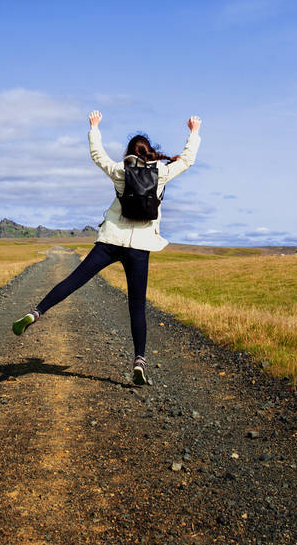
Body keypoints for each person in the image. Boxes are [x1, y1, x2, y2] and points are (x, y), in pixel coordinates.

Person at [12, 109, 202, 385]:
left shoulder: (119, 171)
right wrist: (193, 132)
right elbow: (188, 160)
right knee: (136, 306)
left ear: (129, 151)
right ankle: (139, 362)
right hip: (140, 246)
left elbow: (97, 155)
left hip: (110, 240)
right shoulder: (161, 172)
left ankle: (35, 312)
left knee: (74, 280)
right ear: (149, 152)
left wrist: (94, 127)